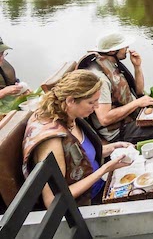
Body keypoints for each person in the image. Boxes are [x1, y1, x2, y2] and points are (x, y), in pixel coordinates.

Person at [22, 70, 132, 207]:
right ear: (70, 101)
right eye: (92, 102)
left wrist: (111, 148)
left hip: (102, 183)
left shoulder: (68, 115)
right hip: (88, 203)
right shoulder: (51, 142)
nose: (97, 106)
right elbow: (52, 200)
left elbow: (78, 156)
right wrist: (104, 169)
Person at [77, 31, 153, 144]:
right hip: (120, 132)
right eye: (123, 46)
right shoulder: (100, 79)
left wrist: (137, 67)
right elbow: (105, 119)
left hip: (132, 118)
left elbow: (138, 92)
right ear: (112, 51)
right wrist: (137, 103)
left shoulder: (112, 64)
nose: (127, 48)